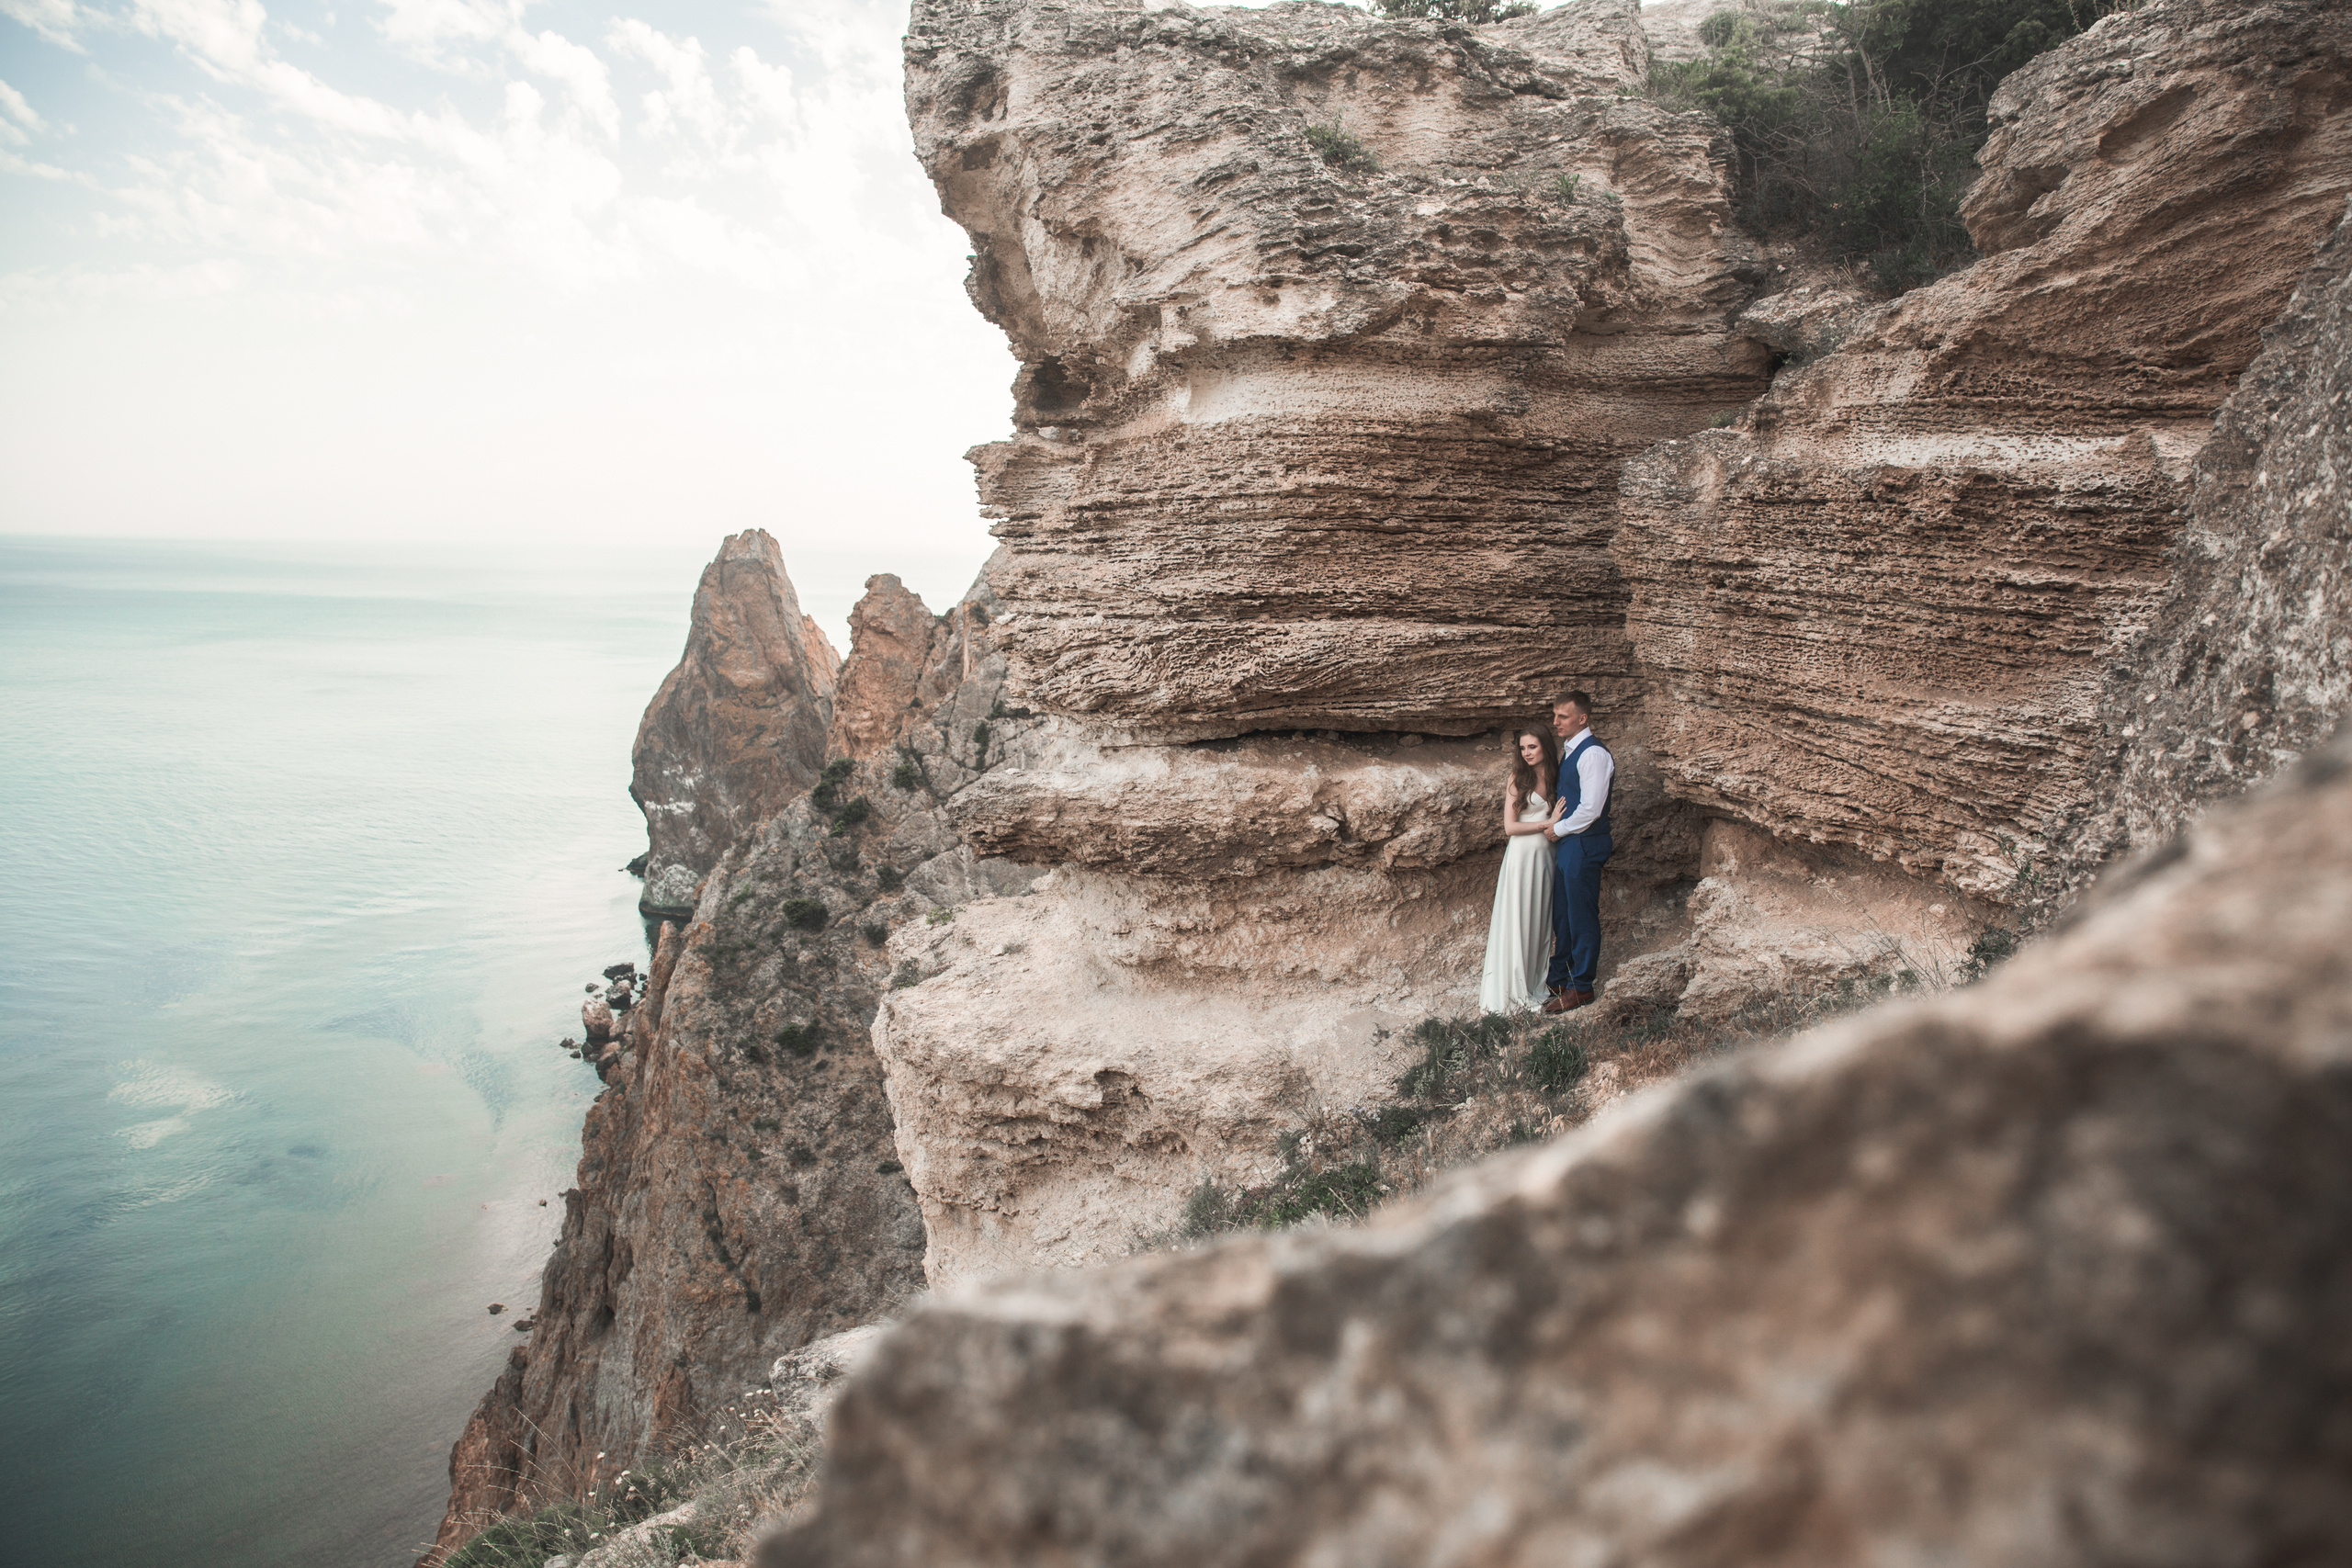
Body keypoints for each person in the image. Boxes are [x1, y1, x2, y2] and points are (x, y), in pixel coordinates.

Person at [1476, 728, 1566, 1012]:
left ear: (1545, 748)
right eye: (1523, 747)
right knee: (1518, 921)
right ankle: (1512, 991)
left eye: (1532, 746)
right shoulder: (1518, 779)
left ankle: (1533, 986)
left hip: (1546, 859)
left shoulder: (1555, 778)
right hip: (1521, 858)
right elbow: (1510, 827)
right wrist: (1546, 823)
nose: (1527, 752)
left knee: (1539, 924)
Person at [1542, 691, 1614, 1014]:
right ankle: (1561, 978)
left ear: (1582, 719)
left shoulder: (1594, 754)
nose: (1555, 722)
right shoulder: (1571, 751)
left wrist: (1557, 829)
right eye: (1555, 715)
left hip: (1585, 842)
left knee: (1582, 916)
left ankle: (1581, 987)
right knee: (1563, 913)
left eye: (1563, 717)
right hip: (1571, 842)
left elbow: (1591, 809)